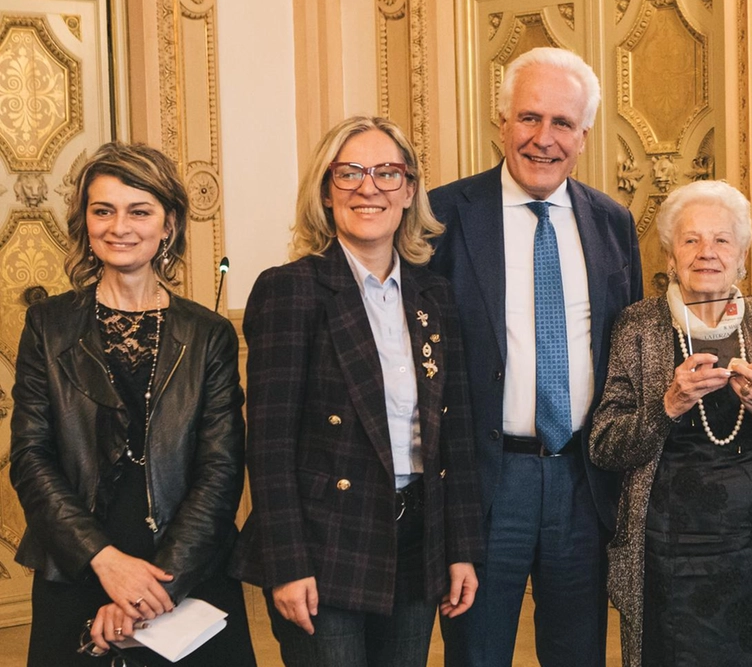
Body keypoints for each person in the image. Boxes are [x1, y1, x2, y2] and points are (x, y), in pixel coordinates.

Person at [230, 116, 484, 667]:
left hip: (416, 543)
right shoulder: (290, 290)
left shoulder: (434, 296)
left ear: (410, 190)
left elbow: (455, 439)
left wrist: (460, 549)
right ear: (326, 191)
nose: (369, 187)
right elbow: (268, 448)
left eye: (387, 173)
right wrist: (288, 562)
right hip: (325, 547)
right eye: (349, 173)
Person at [429, 46, 644, 667]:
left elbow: (624, 354)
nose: (543, 139)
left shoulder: (612, 222)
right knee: (478, 654)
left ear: (584, 136)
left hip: (583, 480)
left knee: (578, 652)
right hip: (487, 483)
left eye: (562, 124)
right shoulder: (443, 216)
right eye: (528, 118)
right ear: (501, 124)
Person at [9, 142, 255, 666]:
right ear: (85, 222)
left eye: (139, 211)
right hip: (77, 562)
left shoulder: (208, 334)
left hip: (186, 566)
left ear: (168, 225)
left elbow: (221, 469)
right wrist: (104, 561)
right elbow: (31, 459)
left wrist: (152, 588)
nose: (120, 226)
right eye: (104, 210)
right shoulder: (47, 326)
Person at [590, 180, 752, 667]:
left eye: (722, 240)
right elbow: (604, 446)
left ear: (743, 257)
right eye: (691, 240)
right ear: (669, 257)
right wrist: (666, 405)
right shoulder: (638, 325)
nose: (706, 252)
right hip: (667, 551)